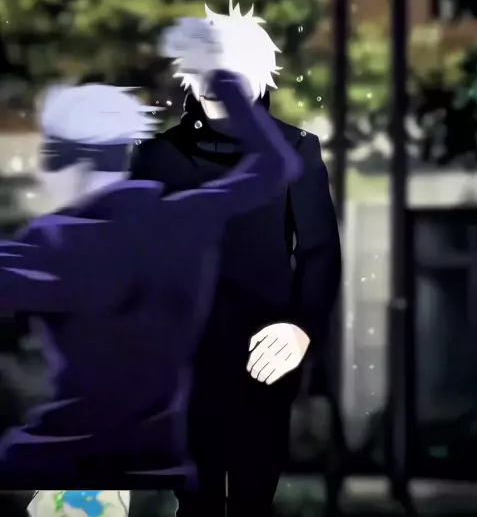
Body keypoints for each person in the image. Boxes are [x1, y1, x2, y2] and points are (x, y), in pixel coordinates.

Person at [0, 45, 303, 488]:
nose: (40, 176)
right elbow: (276, 164)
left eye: (46, 158)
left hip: (61, 465)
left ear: (72, 163)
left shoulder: (54, 244)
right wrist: (220, 81)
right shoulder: (188, 217)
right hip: (160, 464)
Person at [130, 0, 341, 517]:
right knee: (195, 499)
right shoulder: (156, 156)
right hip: (182, 358)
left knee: (252, 494)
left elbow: (319, 251)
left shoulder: (296, 150)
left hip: (264, 354)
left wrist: (301, 327)